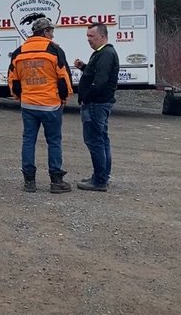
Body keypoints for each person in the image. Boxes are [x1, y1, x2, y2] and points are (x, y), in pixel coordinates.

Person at [7, 17, 74, 193]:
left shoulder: (18, 52)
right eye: (51, 31)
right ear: (44, 32)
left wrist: (19, 97)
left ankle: (29, 181)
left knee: (29, 141)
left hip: (28, 105)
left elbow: (13, 80)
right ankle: (56, 181)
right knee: (54, 141)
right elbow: (64, 76)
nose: (52, 35)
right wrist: (64, 98)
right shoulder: (54, 50)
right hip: (51, 104)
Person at [73, 22, 119, 191]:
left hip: (96, 104)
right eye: (87, 37)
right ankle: (101, 176)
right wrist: (84, 67)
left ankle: (99, 181)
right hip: (99, 103)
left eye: (91, 36)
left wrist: (86, 97)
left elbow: (100, 81)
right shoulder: (101, 53)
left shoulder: (106, 54)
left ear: (102, 36)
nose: (89, 40)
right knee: (101, 140)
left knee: (95, 141)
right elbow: (96, 73)